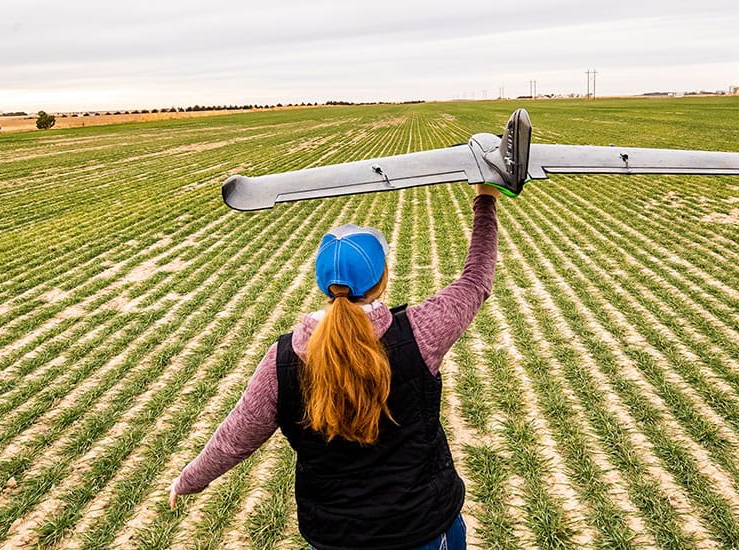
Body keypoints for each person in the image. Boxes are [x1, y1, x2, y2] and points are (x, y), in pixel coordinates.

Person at [167, 183, 501, 550]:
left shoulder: (282, 361)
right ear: (382, 277)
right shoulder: (423, 332)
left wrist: (188, 480)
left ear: (323, 284)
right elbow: (476, 278)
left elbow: (234, 439)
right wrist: (485, 200)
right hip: (422, 528)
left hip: (336, 539)